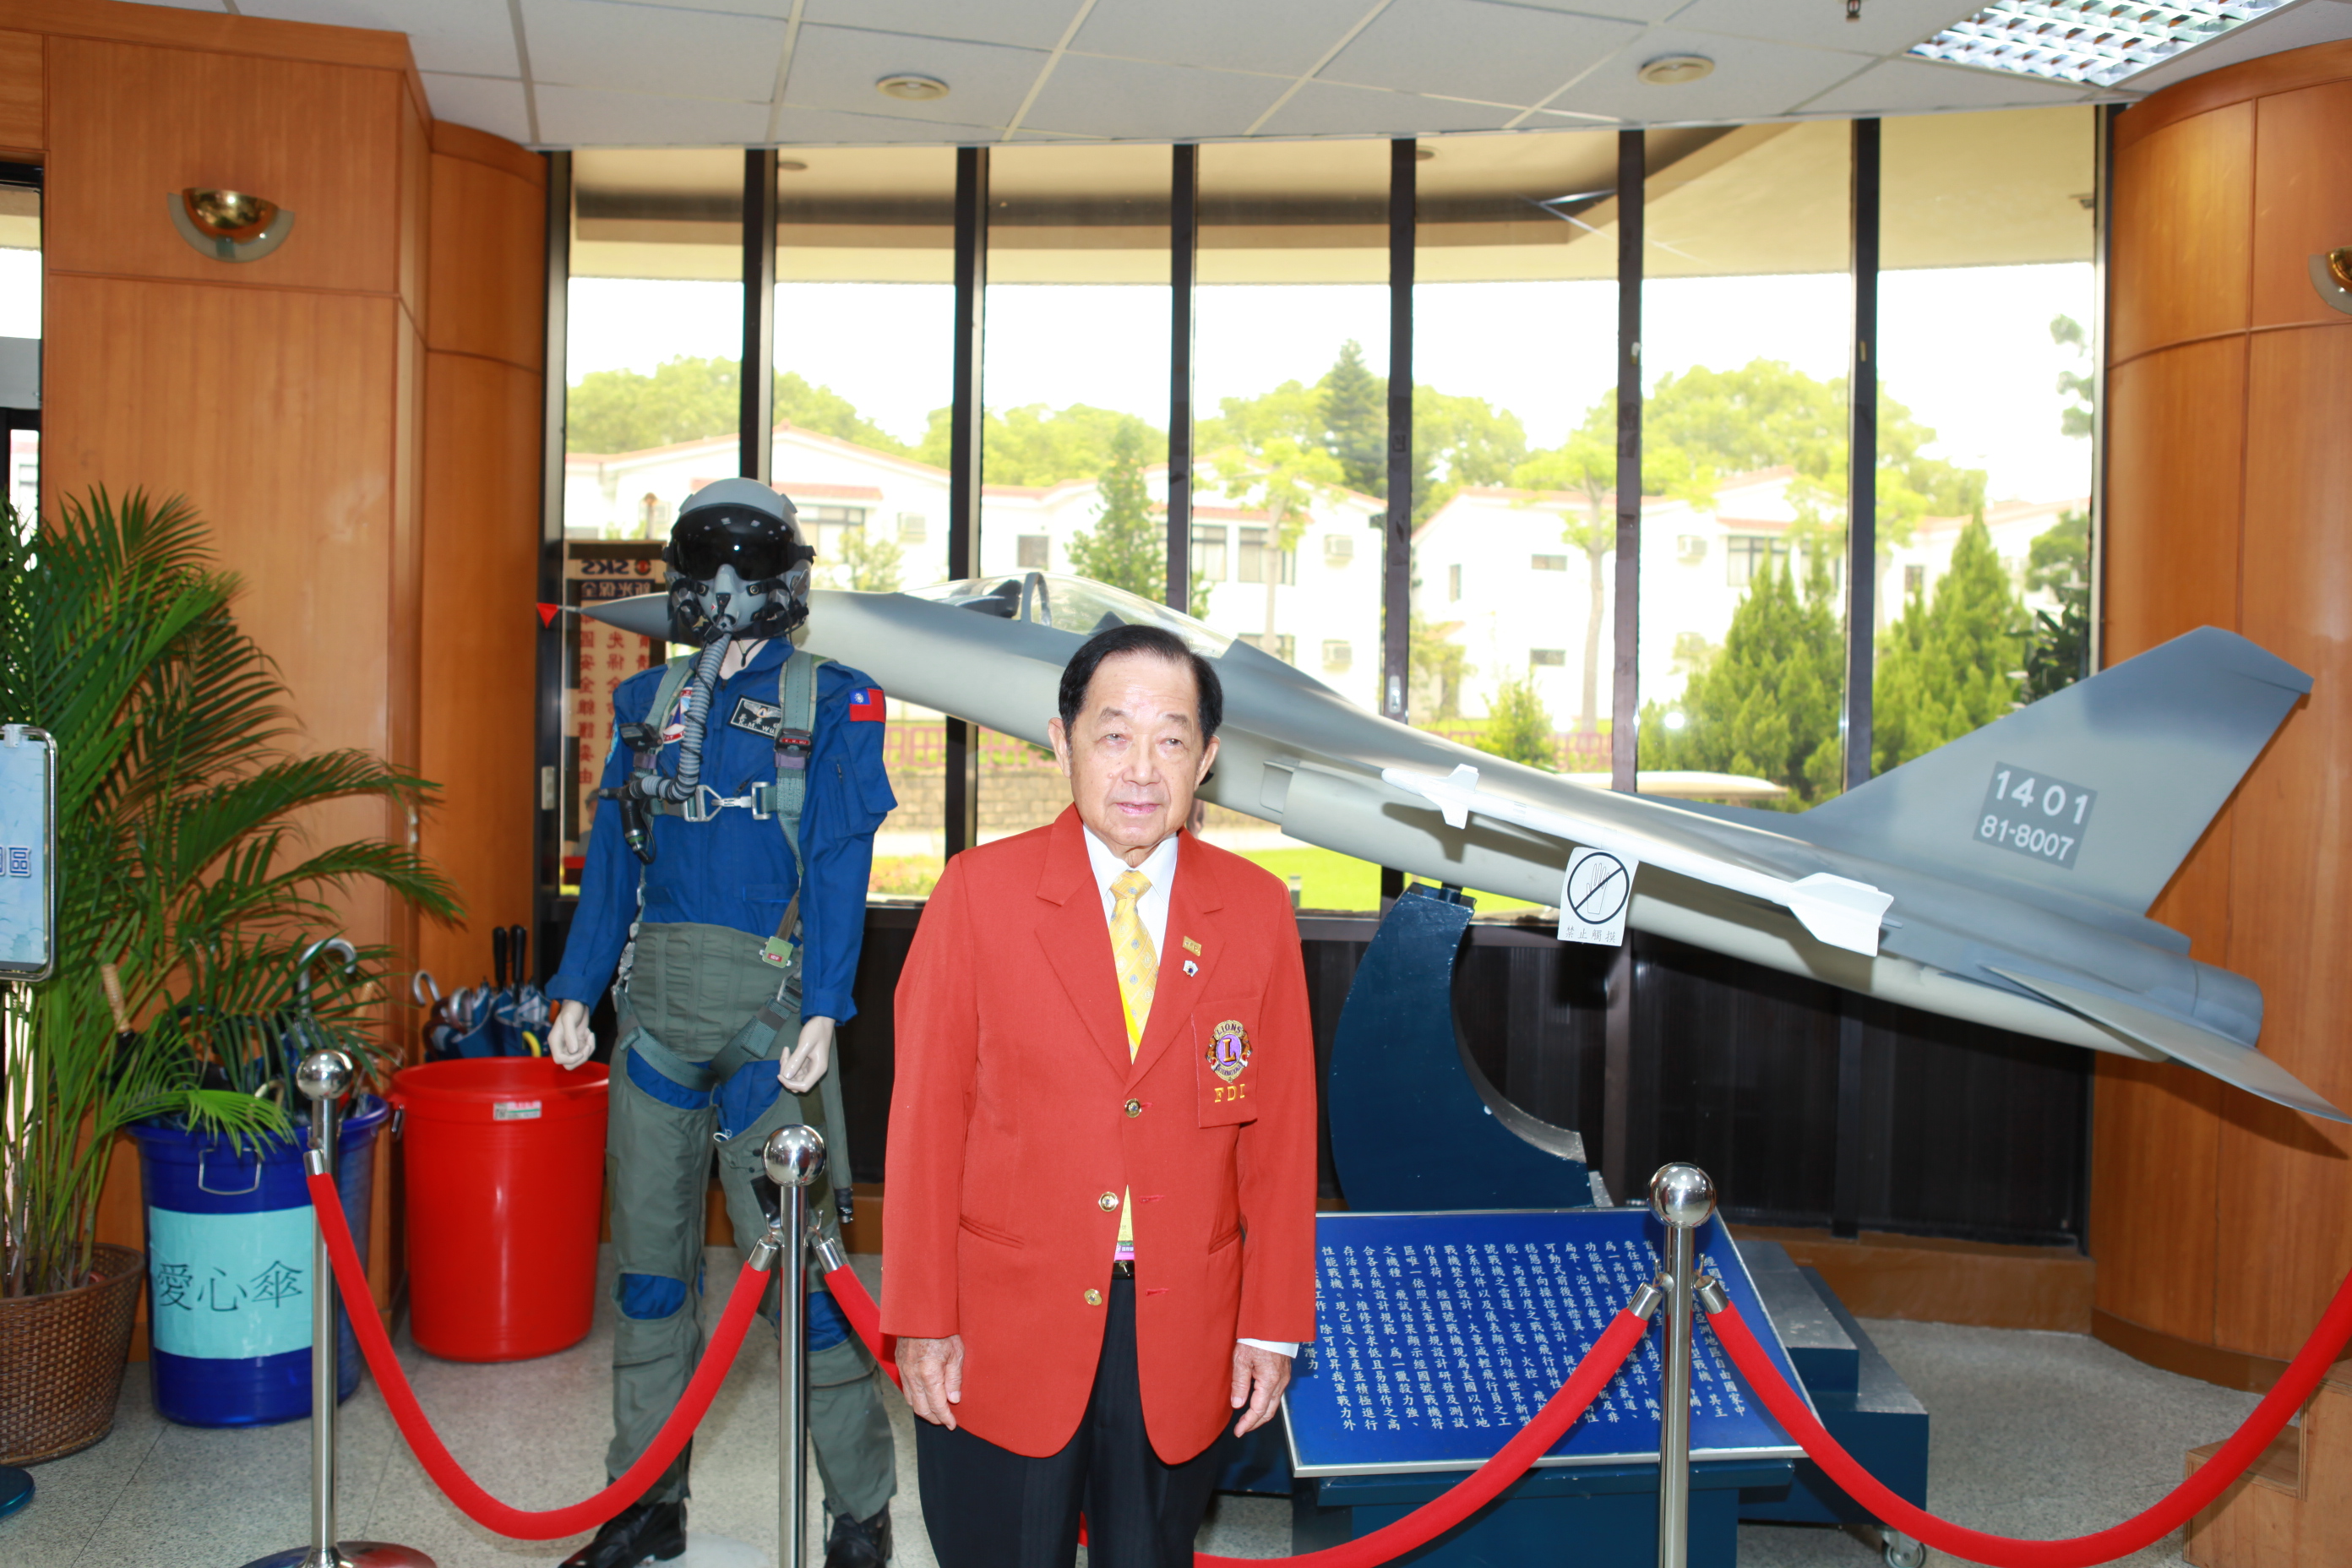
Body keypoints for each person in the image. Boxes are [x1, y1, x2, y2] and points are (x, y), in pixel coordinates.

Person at [883, 623, 1319, 1568]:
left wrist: (1272, 1322)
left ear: (1206, 758)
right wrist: (921, 1315)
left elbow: (1280, 1137)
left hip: (1181, 1323)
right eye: (1114, 734)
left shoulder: (1252, 910)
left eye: (1171, 739)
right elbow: (925, 1125)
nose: (1141, 769)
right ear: (1062, 742)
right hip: (1006, 1321)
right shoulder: (978, 894)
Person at [547, 478, 900, 1568]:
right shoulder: (644, 702)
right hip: (652, 1017)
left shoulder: (834, 699)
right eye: (710, 569)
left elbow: (838, 860)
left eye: (747, 569)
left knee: (805, 1284)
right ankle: (646, 1501)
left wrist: (827, 1005)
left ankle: (860, 1511)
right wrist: (576, 986)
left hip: (770, 1023)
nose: (729, 589)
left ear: (784, 579)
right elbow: (615, 859)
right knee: (651, 1278)